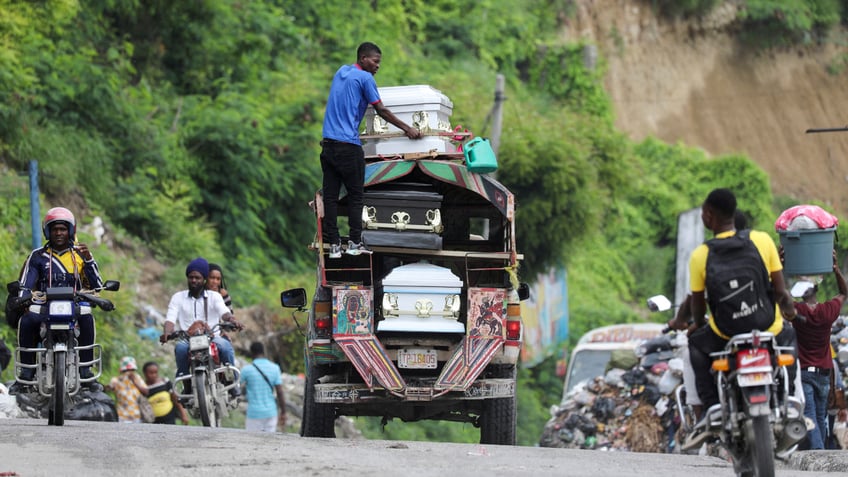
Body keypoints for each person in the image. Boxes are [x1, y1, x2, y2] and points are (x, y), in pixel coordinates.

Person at [668, 188, 798, 443]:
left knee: (695, 345)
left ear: (708, 216)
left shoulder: (700, 255)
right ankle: (788, 397)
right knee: (791, 337)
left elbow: (698, 307)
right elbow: (781, 292)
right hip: (767, 328)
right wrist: (790, 312)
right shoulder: (762, 240)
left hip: (724, 333)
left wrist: (696, 324)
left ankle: (711, 408)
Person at [321, 41, 422, 259]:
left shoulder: (342, 72)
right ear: (363, 58)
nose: (378, 66)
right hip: (348, 146)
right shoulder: (365, 78)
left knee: (330, 197)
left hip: (328, 146)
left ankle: (335, 245)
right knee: (356, 197)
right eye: (375, 62)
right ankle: (355, 242)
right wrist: (408, 129)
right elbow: (381, 110)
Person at [10, 207, 104, 394]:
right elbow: (26, 283)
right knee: (27, 320)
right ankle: (26, 374)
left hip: (75, 304)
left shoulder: (80, 254)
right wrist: (21, 299)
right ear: (48, 231)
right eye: (55, 229)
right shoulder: (37, 256)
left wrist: (89, 260)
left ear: (70, 231)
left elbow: (97, 286)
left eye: (62, 229)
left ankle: (85, 371)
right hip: (44, 304)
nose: (59, 233)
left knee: (87, 317)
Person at [789, 250, 847, 449]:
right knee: (821, 416)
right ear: (815, 291)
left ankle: (818, 452)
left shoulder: (797, 312)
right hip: (824, 374)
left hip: (805, 372)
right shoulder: (827, 310)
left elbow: (778, 301)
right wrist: (836, 269)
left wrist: (778, 265)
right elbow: (844, 293)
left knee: (811, 416)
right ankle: (821, 455)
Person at [159, 257, 243, 392]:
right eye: (191, 277)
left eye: (197, 278)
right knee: (180, 349)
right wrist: (167, 332)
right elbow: (170, 319)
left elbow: (224, 312)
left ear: (204, 279)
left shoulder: (215, 296)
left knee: (226, 347)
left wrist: (232, 320)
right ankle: (186, 384)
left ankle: (231, 380)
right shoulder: (178, 297)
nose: (194, 280)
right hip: (187, 339)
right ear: (187, 278)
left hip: (213, 337)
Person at [240, 341, 287, 432]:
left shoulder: (247, 370)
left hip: (254, 413)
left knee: (252, 442)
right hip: (271, 413)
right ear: (263, 352)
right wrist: (283, 412)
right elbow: (280, 392)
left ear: (251, 353)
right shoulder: (275, 368)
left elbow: (236, 386)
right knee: (269, 442)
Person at [142, 361, 189, 425]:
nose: (154, 375)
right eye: (151, 373)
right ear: (144, 373)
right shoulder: (143, 388)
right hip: (151, 421)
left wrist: (183, 414)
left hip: (169, 418)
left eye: (155, 372)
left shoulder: (165, 382)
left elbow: (175, 398)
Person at [108, 356, 149, 423]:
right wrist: (111, 386)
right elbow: (108, 388)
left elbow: (146, 392)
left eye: (131, 370)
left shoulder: (137, 378)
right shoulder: (116, 380)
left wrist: (134, 382)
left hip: (136, 415)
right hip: (121, 415)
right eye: (127, 370)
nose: (129, 372)